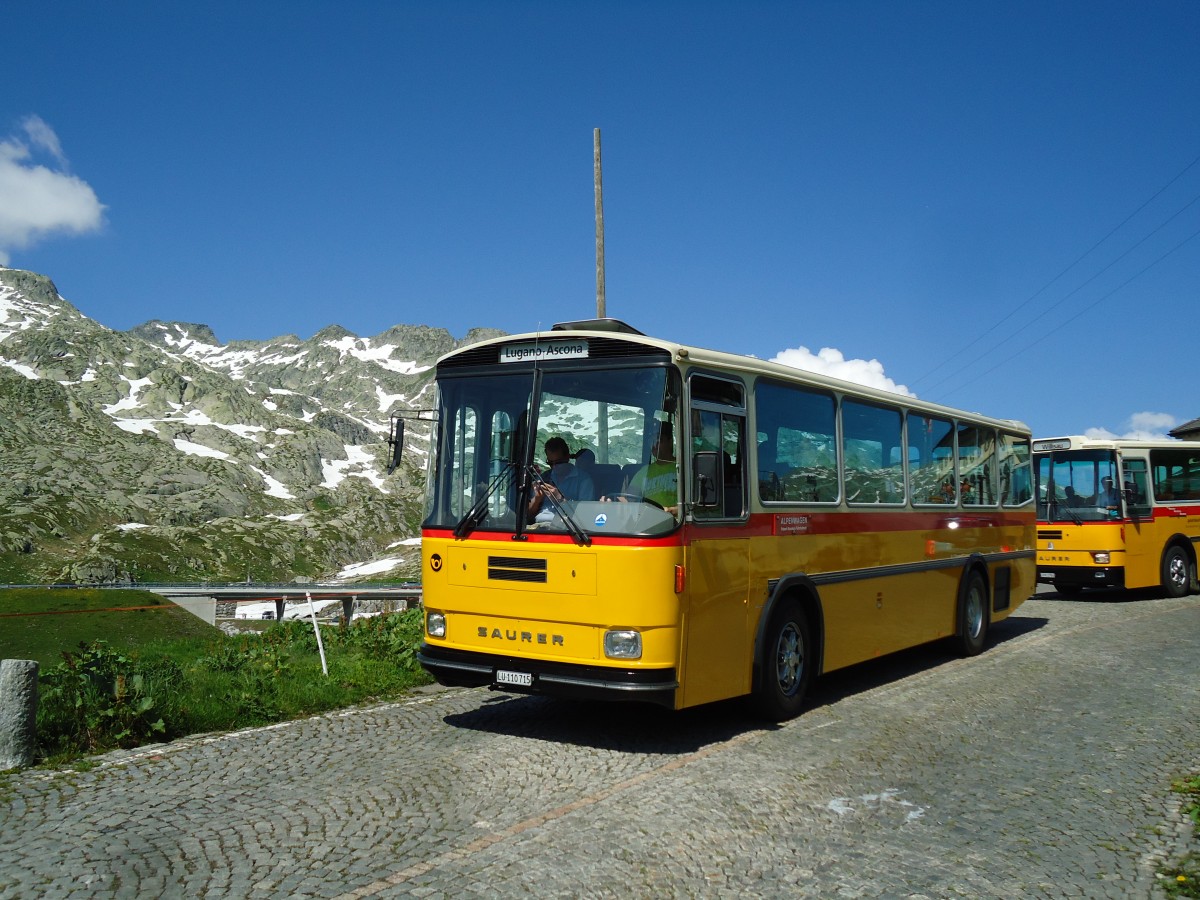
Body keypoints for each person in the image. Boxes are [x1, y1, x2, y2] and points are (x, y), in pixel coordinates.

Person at [528, 436, 595, 521]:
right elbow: (528, 516)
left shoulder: (583, 480)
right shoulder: (544, 477)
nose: (554, 467)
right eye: (550, 463)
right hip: (537, 529)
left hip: (566, 529)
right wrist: (537, 499)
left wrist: (560, 498)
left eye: (559, 463)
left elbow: (586, 514)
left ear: (567, 458)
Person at [623, 421, 678, 511]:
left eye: (658, 440)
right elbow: (630, 498)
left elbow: (691, 507)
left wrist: (672, 510)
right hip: (647, 520)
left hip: (674, 522)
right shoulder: (644, 471)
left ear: (670, 442)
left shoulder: (681, 469)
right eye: (651, 441)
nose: (654, 445)